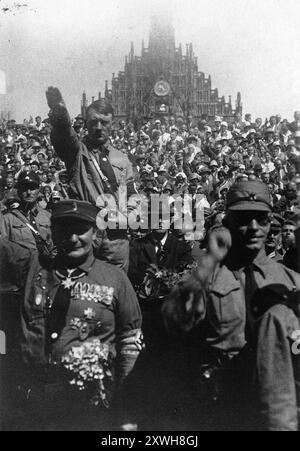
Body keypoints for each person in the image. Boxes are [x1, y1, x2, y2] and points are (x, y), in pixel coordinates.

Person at [163, 180, 300, 431]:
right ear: (228, 223)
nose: (254, 228)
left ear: (271, 224)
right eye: (244, 219)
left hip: (276, 404)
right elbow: (174, 322)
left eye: (261, 219)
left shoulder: (291, 281)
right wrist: (210, 261)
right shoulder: (208, 274)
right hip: (219, 403)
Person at [0, 199, 142, 430]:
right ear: (53, 233)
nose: (73, 238)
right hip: (36, 401)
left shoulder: (114, 279)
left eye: (81, 230)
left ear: (94, 232)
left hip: (93, 403)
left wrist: (126, 407)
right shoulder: (32, 266)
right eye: (64, 230)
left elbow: (131, 341)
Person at [45, 87, 136, 272]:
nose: (99, 127)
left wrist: (127, 218)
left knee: (116, 286)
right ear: (86, 122)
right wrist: (60, 113)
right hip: (85, 232)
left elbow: (132, 194)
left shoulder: (121, 158)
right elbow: (64, 136)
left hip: (116, 237)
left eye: (104, 122)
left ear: (113, 124)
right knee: (82, 285)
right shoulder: (77, 151)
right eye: (94, 122)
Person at [0, 170, 52, 255]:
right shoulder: (8, 219)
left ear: (38, 190)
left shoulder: (47, 216)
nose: (28, 192)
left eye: (32, 189)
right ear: (18, 191)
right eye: (24, 189)